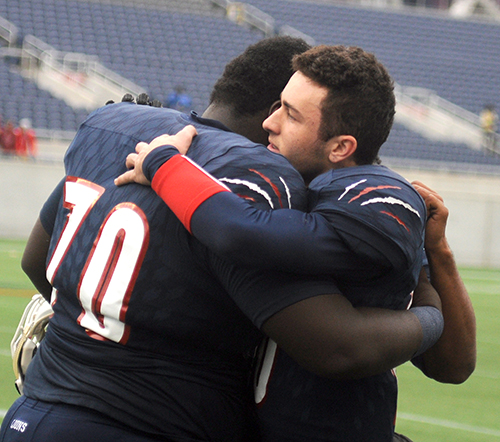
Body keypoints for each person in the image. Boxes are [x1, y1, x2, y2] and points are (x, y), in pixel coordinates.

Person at [1, 36, 444, 442]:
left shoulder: (122, 127)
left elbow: (37, 259)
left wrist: (102, 329)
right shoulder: (250, 177)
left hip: (32, 408)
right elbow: (336, 345)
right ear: (269, 107)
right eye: (282, 108)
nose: (275, 125)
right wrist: (429, 316)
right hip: (149, 424)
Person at [116, 45, 475, 441]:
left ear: (341, 147)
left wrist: (165, 165)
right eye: (278, 105)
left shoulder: (379, 199)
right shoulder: (296, 179)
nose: (269, 122)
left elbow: (453, 365)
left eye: (291, 114)